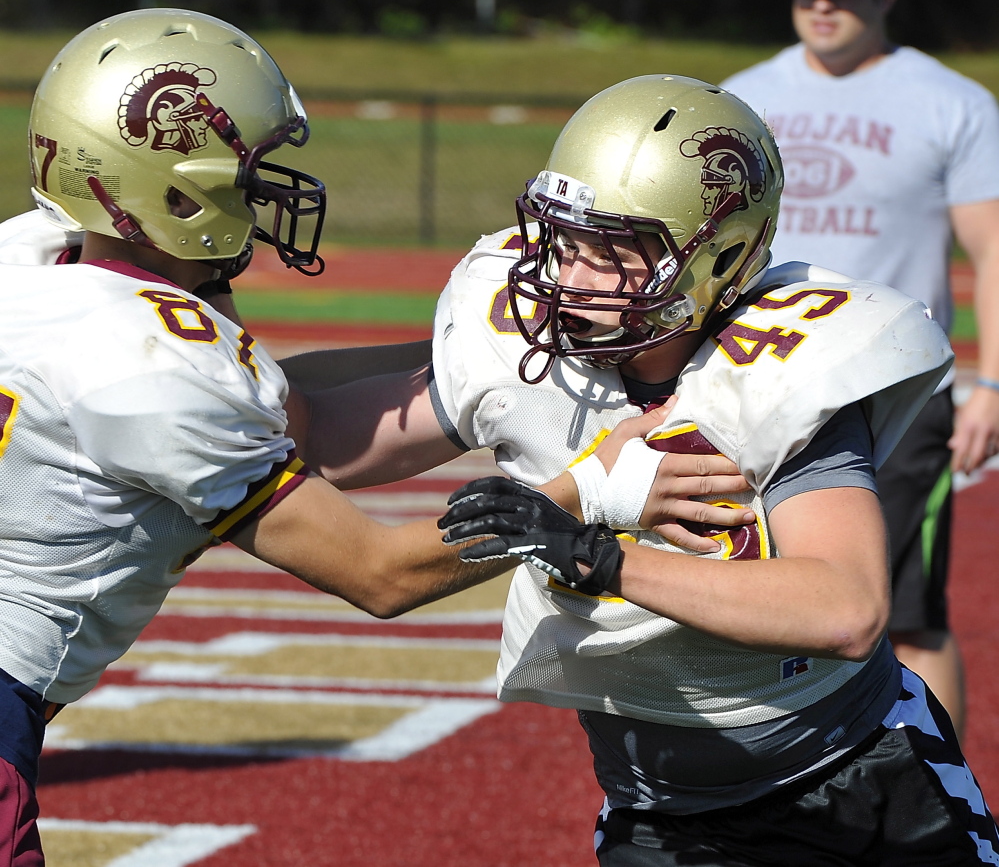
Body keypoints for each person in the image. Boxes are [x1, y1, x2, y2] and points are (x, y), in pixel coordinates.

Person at [0, 13, 754, 866]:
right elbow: (380, 573)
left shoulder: (34, 255)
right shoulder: (152, 371)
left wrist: (474, 357)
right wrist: (588, 490)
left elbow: (270, 409)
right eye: (249, 173)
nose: (269, 191)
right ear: (176, 195)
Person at [290, 74, 998, 864]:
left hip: (850, 782)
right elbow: (308, 437)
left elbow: (845, 607)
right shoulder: (523, 352)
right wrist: (202, 331)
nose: (570, 277)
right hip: (656, 813)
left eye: (611, 251)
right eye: (564, 241)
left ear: (716, 259)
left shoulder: (778, 372)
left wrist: (600, 557)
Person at [720, 0, 999, 740]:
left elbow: (992, 248)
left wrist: (993, 384)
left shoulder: (952, 103)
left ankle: (941, 795)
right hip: (756, 386)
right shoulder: (741, 97)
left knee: (907, 615)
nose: (820, 4)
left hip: (896, 394)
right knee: (749, 606)